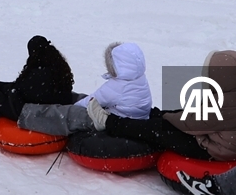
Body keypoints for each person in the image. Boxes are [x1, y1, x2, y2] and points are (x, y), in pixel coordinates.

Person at [98, 50, 236, 161]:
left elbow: (189, 124)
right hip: (232, 145)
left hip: (218, 152)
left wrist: (163, 116)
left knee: (159, 129)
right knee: (174, 115)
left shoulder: (223, 103)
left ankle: (110, 122)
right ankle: (151, 115)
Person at [16, 41, 152, 135]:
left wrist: (72, 107)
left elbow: (93, 101)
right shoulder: (140, 78)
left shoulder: (117, 86)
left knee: (71, 112)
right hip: (138, 118)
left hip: (116, 121)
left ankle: (29, 114)